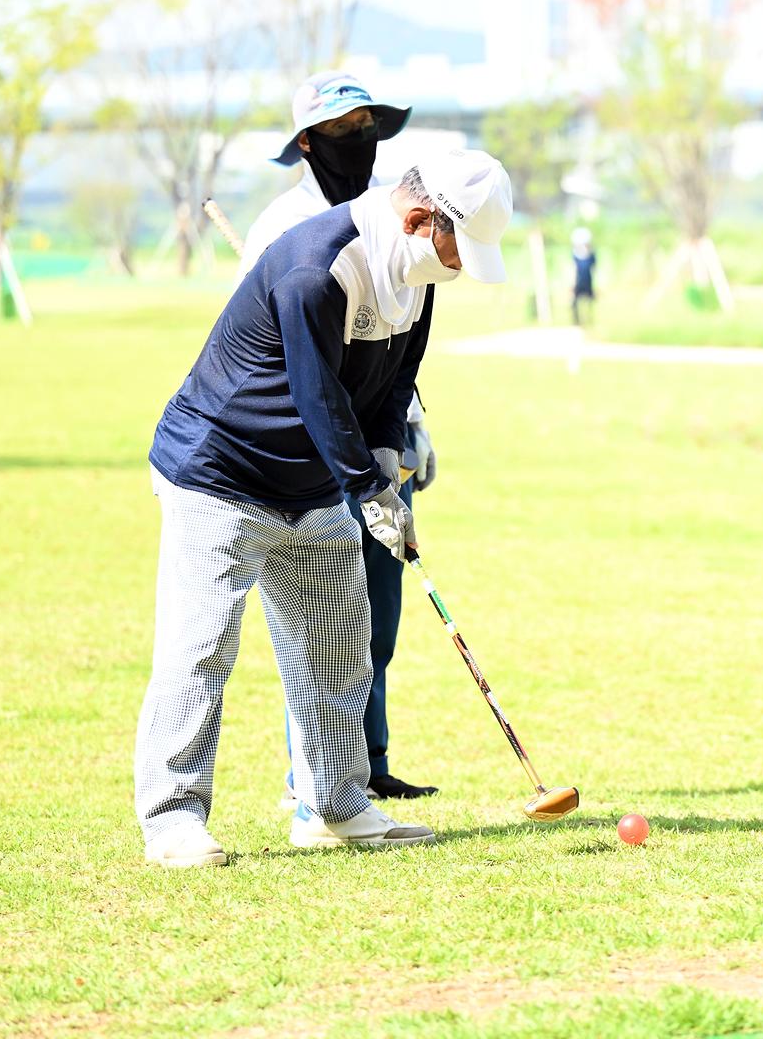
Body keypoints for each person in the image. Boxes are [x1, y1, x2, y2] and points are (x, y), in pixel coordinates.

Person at [134, 149, 513, 867]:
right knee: (201, 646)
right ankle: (173, 820)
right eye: (458, 246)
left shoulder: (417, 276)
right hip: (219, 473)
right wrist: (366, 491)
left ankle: (334, 805)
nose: (461, 266)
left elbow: (397, 376)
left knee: (338, 649)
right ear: (418, 217)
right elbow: (316, 395)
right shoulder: (318, 265)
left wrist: (388, 460)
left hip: (313, 486)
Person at [243, 71, 442, 803]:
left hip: (380, 448)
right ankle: (317, 781)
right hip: (308, 459)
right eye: (339, 130)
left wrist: (408, 434)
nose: (357, 142)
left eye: (366, 127)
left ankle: (368, 766)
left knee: (377, 620)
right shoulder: (280, 231)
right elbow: (292, 364)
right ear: (304, 144)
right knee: (323, 629)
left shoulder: (394, 216)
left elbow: (395, 345)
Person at [570, 226, 597, 326]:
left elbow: (594, 270)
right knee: (574, 302)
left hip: (588, 281)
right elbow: (573, 269)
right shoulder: (575, 255)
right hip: (578, 282)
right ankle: (576, 322)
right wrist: (572, 284)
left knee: (589, 302)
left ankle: (589, 320)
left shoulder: (591, 255)